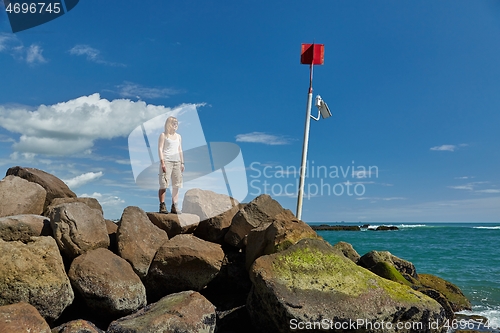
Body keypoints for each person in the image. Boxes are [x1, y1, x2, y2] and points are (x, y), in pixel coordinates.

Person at [158, 116, 184, 214]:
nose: (176, 125)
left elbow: (180, 150)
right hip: (167, 161)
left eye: (177, 123)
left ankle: (174, 205)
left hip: (177, 162)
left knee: (176, 184)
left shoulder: (179, 136)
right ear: (169, 124)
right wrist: (162, 162)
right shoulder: (163, 135)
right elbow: (160, 149)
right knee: (164, 184)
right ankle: (162, 205)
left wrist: (182, 162)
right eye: (174, 123)